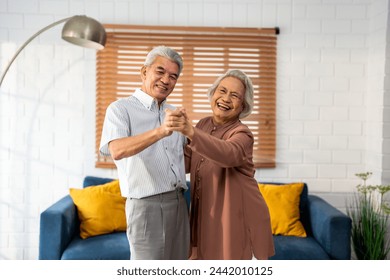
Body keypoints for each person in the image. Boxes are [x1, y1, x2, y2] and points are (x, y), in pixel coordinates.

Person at [166, 69, 275, 260]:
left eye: (234, 95)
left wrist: (190, 132)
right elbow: (185, 162)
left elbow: (228, 154)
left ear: (243, 106)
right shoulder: (203, 125)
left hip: (238, 217)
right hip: (205, 214)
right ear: (213, 94)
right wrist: (164, 135)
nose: (225, 98)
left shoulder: (243, 134)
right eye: (222, 91)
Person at [99, 46, 190, 260]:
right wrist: (161, 131)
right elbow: (117, 150)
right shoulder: (120, 109)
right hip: (146, 206)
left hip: (179, 203)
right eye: (160, 71)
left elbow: (185, 159)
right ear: (144, 72)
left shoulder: (174, 112)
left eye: (173, 76)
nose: (166, 80)